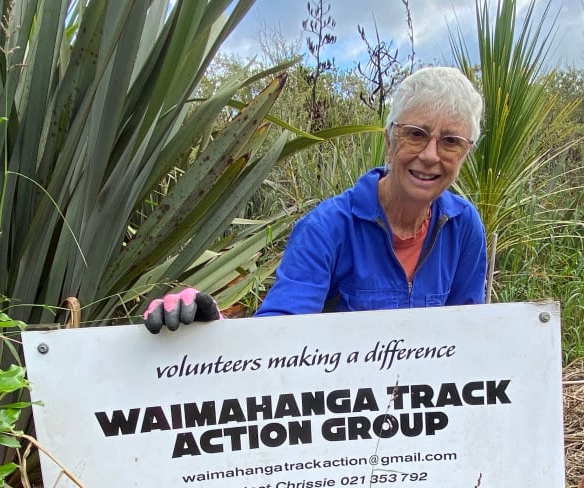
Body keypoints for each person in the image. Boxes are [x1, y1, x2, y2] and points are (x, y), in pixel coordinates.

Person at [143, 66, 487, 334]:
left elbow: (468, 333)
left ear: (465, 153)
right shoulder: (326, 228)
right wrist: (211, 332)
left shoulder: (464, 226)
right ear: (389, 140)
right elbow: (281, 329)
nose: (430, 155)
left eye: (451, 141)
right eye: (416, 134)